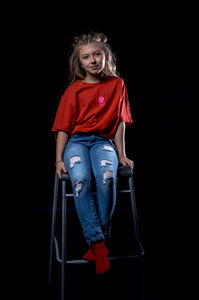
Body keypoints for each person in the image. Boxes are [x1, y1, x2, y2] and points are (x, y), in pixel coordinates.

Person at [52, 32, 134, 274]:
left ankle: (97, 242)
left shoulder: (117, 85)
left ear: (106, 56)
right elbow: (63, 129)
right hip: (76, 143)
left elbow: (120, 122)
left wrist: (121, 154)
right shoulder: (73, 91)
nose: (93, 61)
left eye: (97, 54)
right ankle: (99, 245)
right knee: (81, 180)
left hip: (103, 142)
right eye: (86, 57)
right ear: (80, 62)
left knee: (107, 178)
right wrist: (58, 159)